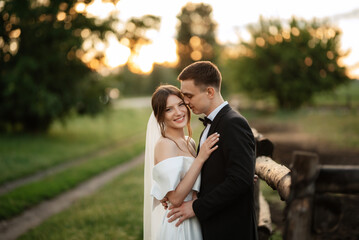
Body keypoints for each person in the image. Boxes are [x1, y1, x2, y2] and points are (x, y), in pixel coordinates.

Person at [166, 61, 258, 240]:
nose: (185, 102)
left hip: (231, 229)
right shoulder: (212, 124)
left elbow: (240, 180)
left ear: (209, 92)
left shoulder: (233, 123)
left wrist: (195, 206)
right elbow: (217, 172)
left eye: (189, 96)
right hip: (214, 226)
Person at [143, 85, 220, 240]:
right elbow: (176, 199)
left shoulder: (189, 142)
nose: (178, 112)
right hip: (179, 225)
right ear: (160, 116)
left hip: (195, 217)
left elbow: (198, 181)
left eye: (180, 105)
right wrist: (200, 158)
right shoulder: (165, 145)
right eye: (168, 109)